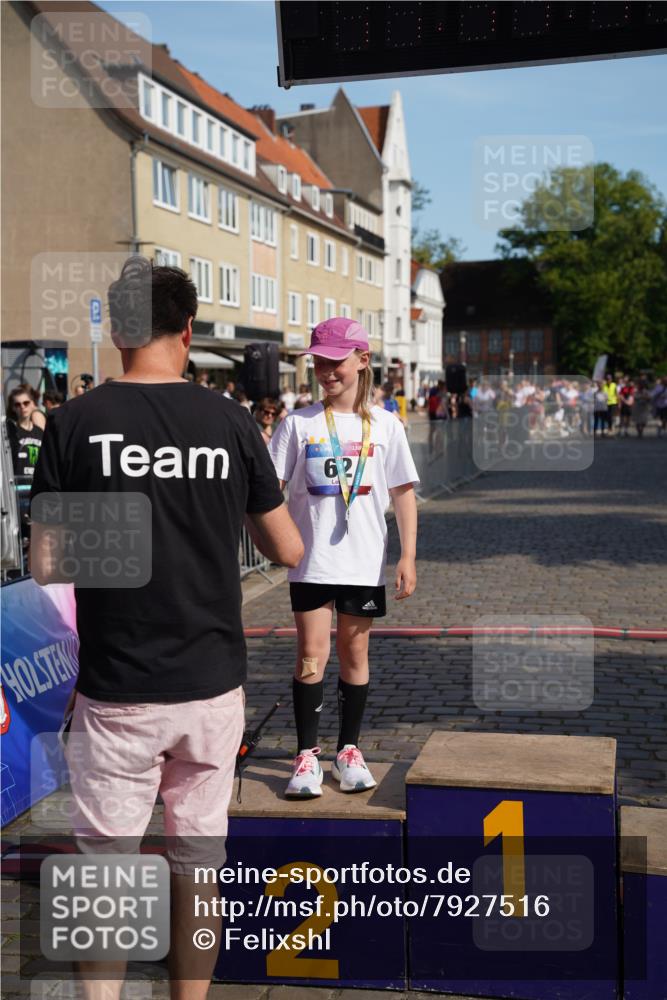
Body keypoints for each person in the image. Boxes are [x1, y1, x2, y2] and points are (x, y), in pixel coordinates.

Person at [29, 257, 303, 1000]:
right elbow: (287, 550)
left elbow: (50, 563)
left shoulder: (75, 422)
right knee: (198, 868)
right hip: (210, 685)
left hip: (118, 685)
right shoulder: (230, 421)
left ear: (117, 331)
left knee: (104, 873)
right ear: (187, 332)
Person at [269, 317, 419, 799]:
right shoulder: (298, 423)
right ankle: (306, 756)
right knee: (311, 654)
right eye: (318, 362)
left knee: (356, 654)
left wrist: (408, 555)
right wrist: (273, 540)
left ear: (362, 360)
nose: (326, 371)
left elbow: (403, 493)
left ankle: (348, 750)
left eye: (336, 361)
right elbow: (269, 491)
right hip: (311, 561)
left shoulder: (386, 424)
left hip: (363, 562)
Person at [7, 384, 45, 483]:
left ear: (32, 404)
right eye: (17, 404)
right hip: (18, 485)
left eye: (26, 403)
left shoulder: (40, 432)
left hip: (37, 485)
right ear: (13, 408)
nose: (22, 407)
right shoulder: (11, 432)